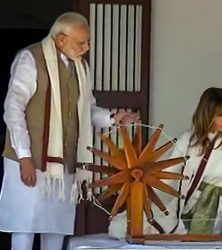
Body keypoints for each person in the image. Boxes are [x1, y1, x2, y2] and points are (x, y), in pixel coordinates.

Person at [0, 12, 137, 250]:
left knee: (56, 228)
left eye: (88, 42)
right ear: (61, 39)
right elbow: (13, 108)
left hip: (63, 163)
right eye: (81, 42)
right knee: (25, 227)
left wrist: (113, 118)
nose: (86, 48)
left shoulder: (80, 68)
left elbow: (87, 110)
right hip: (29, 160)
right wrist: (24, 156)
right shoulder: (30, 59)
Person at [166, 87, 222, 235]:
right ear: (207, 113)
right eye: (220, 115)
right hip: (183, 205)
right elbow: (167, 174)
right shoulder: (188, 138)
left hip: (213, 209)